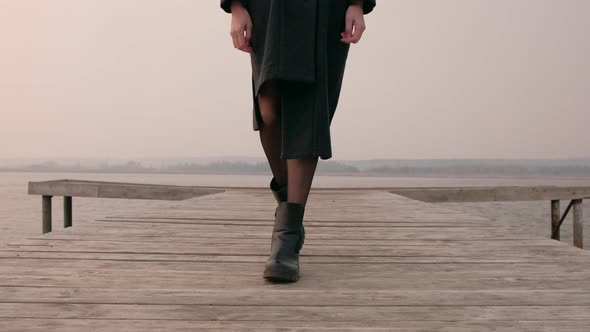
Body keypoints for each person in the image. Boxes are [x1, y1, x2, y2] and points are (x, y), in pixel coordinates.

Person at [220, 0, 376, 282]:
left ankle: (286, 239)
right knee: (268, 107)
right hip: (267, 7)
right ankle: (289, 215)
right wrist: (236, 6)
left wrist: (356, 3)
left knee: (308, 108)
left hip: (324, 10)